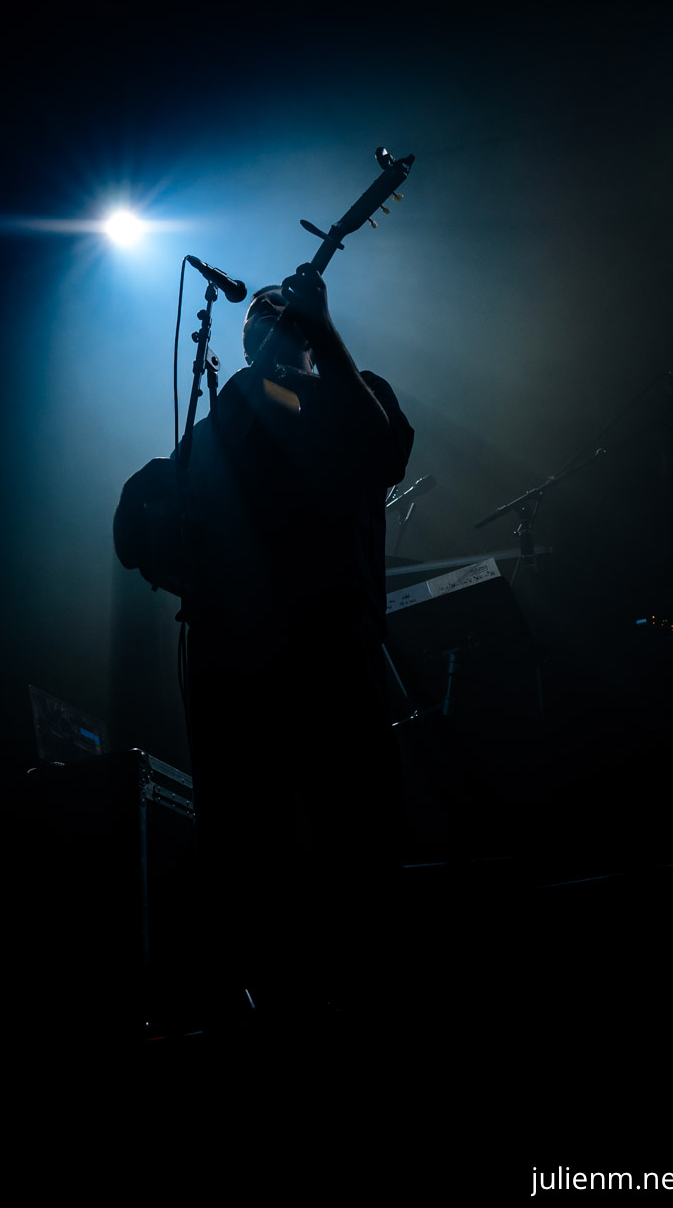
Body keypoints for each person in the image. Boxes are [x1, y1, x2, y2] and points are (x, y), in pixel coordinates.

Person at [114, 263, 414, 1022]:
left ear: (311, 335)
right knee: (248, 849)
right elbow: (149, 515)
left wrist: (323, 333)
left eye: (284, 315)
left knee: (353, 836)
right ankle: (268, 998)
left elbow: (377, 451)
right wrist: (151, 518)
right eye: (259, 318)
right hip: (235, 659)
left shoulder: (351, 391)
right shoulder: (228, 420)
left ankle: (364, 993)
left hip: (328, 647)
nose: (268, 318)